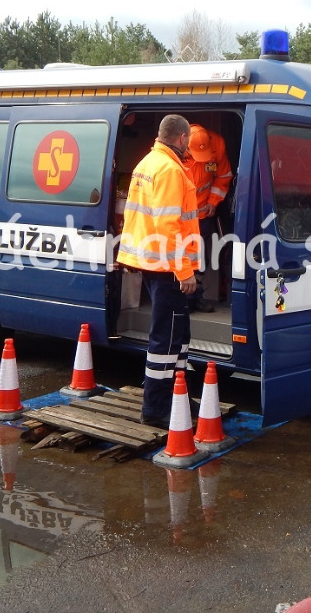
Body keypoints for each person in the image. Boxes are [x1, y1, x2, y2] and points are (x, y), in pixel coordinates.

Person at [117, 114, 200, 428]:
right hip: (168, 268)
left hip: (154, 263)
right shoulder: (169, 169)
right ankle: (155, 408)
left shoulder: (147, 163)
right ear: (182, 138)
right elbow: (168, 227)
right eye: (188, 141)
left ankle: (178, 397)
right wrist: (184, 271)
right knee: (166, 340)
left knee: (178, 336)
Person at [184, 123, 233, 313]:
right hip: (177, 218)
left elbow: (224, 176)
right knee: (177, 258)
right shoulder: (173, 150)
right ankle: (181, 299)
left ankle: (196, 297)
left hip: (202, 214)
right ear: (185, 145)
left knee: (199, 258)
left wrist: (213, 201)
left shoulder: (218, 144)